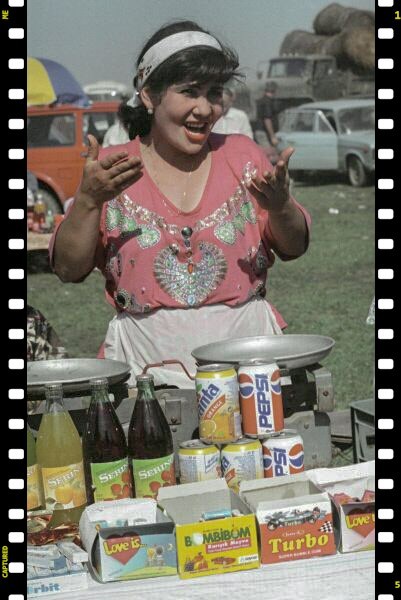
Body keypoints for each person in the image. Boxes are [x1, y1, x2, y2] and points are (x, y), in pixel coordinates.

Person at [51, 20, 310, 388]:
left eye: (214, 92)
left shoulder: (243, 156)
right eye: (189, 91)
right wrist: (90, 202)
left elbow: (294, 246)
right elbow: (67, 268)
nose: (204, 109)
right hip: (144, 376)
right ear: (148, 95)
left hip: (250, 374)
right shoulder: (113, 168)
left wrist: (282, 207)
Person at [257, 81, 280, 147]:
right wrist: (272, 136)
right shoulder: (268, 102)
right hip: (265, 133)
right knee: (268, 153)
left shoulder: (262, 100)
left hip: (262, 131)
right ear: (274, 90)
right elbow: (267, 119)